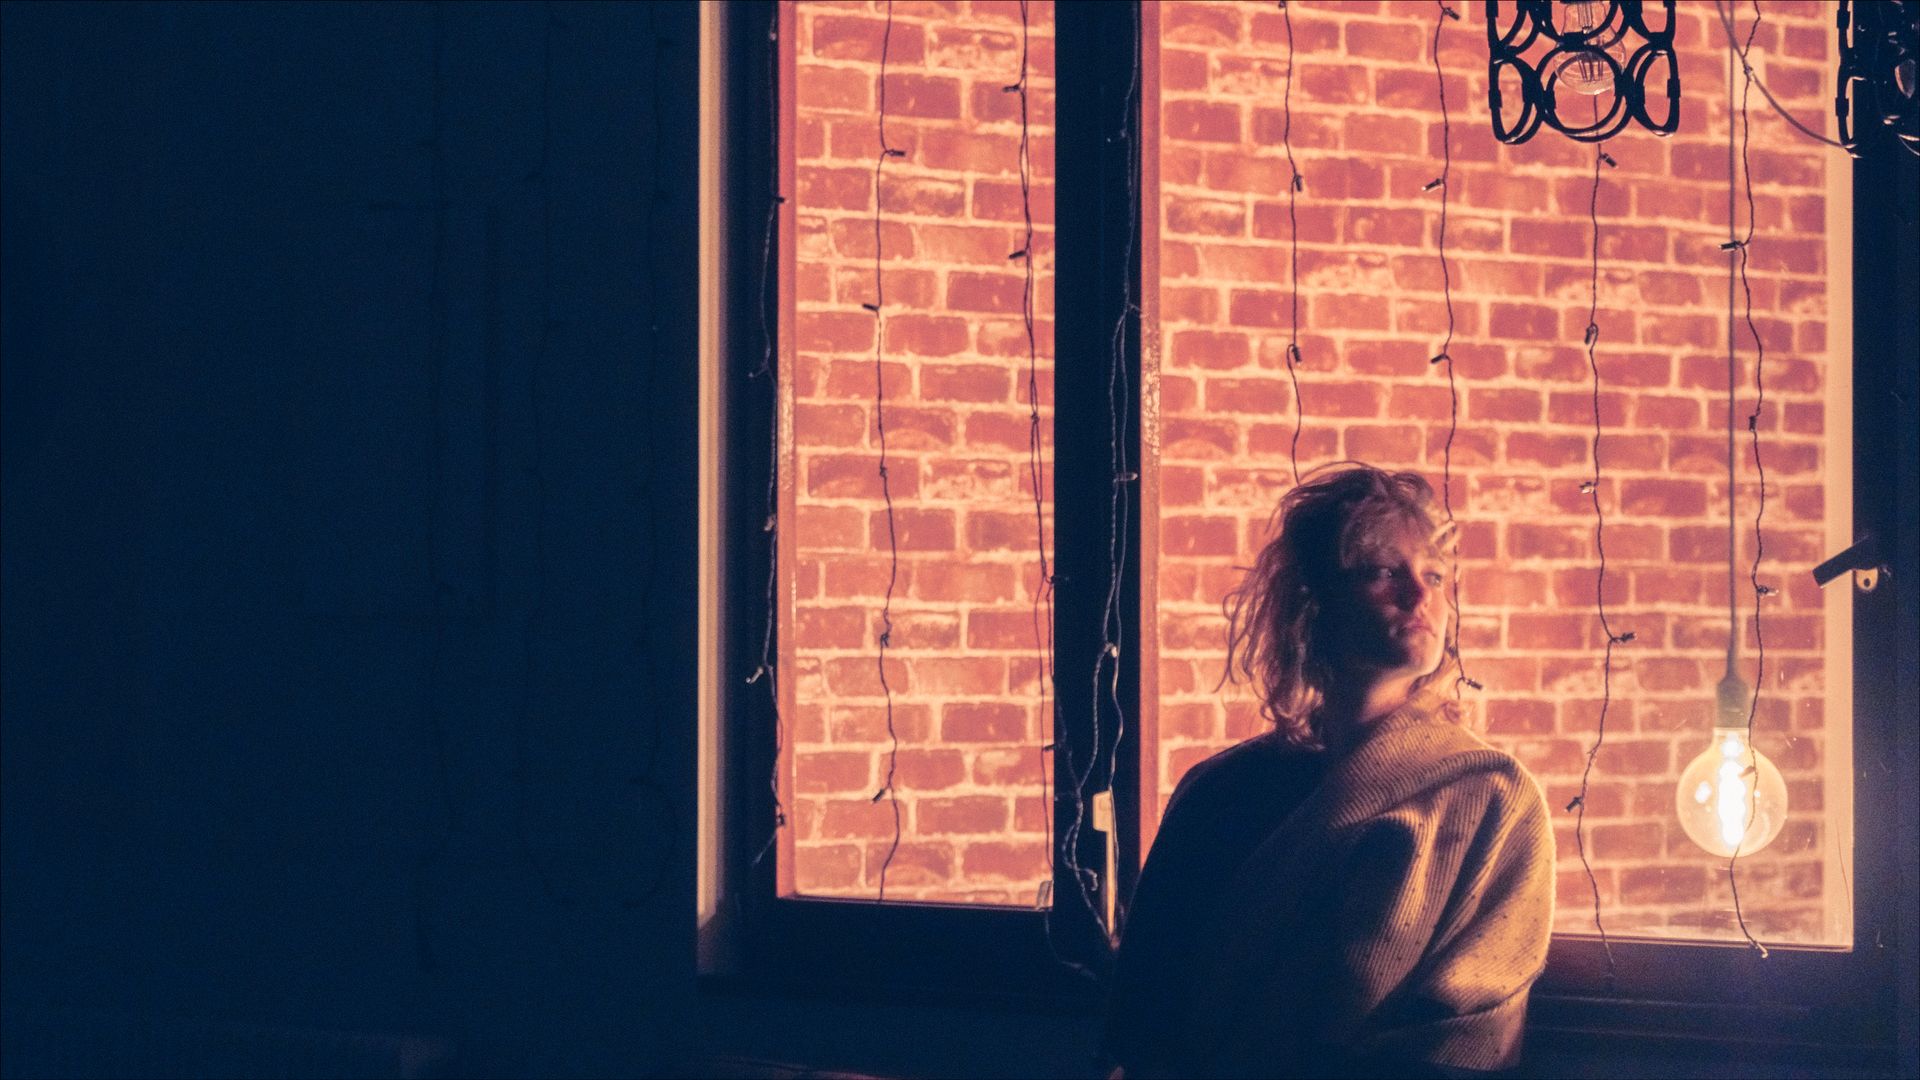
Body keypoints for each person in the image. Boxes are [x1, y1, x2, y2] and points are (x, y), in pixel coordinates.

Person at [1103, 463, 1554, 1079]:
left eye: (1435, 576)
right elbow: (1144, 1017)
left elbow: (1466, 1039)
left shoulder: (1490, 797)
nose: (1420, 596)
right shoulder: (1219, 793)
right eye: (1382, 572)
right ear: (1312, 604)